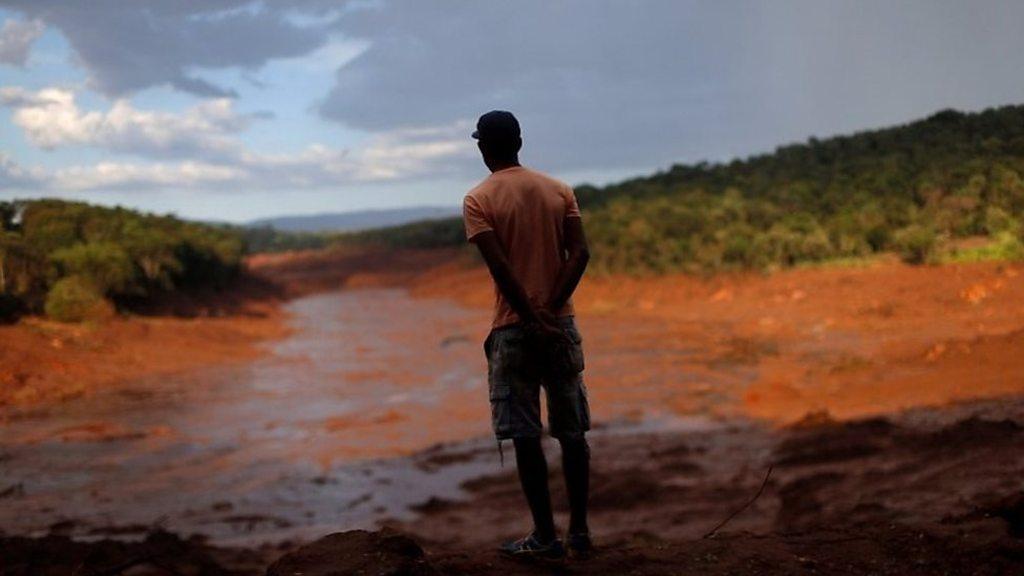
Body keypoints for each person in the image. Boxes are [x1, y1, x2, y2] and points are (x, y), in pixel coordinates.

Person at [462, 110, 593, 561]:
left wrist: (530, 317)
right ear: (520, 141)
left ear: (483, 148)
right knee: (572, 432)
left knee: (524, 435)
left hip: (513, 329)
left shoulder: (478, 199)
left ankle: (545, 537)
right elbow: (581, 253)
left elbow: (499, 266)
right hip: (561, 325)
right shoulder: (559, 190)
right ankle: (579, 532)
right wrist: (552, 310)